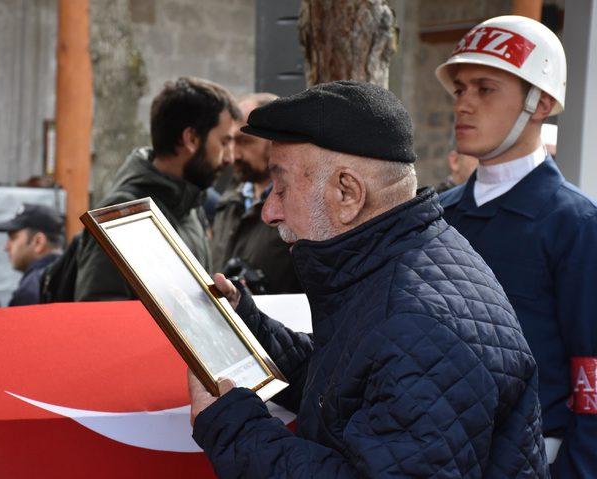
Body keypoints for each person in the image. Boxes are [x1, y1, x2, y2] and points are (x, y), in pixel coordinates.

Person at [187, 81, 548, 477]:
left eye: (283, 187)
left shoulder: (417, 323)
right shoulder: (405, 258)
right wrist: (250, 326)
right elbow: (347, 385)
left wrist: (235, 428)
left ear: (347, 193)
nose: (270, 211)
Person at [436, 16, 597, 477]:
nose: (464, 104)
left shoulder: (577, 224)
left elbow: (592, 370)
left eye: (485, 89)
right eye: (460, 89)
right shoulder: (438, 215)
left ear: (541, 102)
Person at [75, 77, 241, 301]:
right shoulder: (124, 214)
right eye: (224, 142)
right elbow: (99, 310)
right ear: (191, 138)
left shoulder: (191, 207)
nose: (230, 157)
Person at [211, 93, 302, 294]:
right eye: (231, 142)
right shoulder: (227, 204)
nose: (234, 155)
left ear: (275, 140)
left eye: (245, 141)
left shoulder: (300, 208)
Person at [0, 203, 64, 306]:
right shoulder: (70, 274)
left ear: (38, 242)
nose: (6, 247)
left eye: (13, 238)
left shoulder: (33, 286)